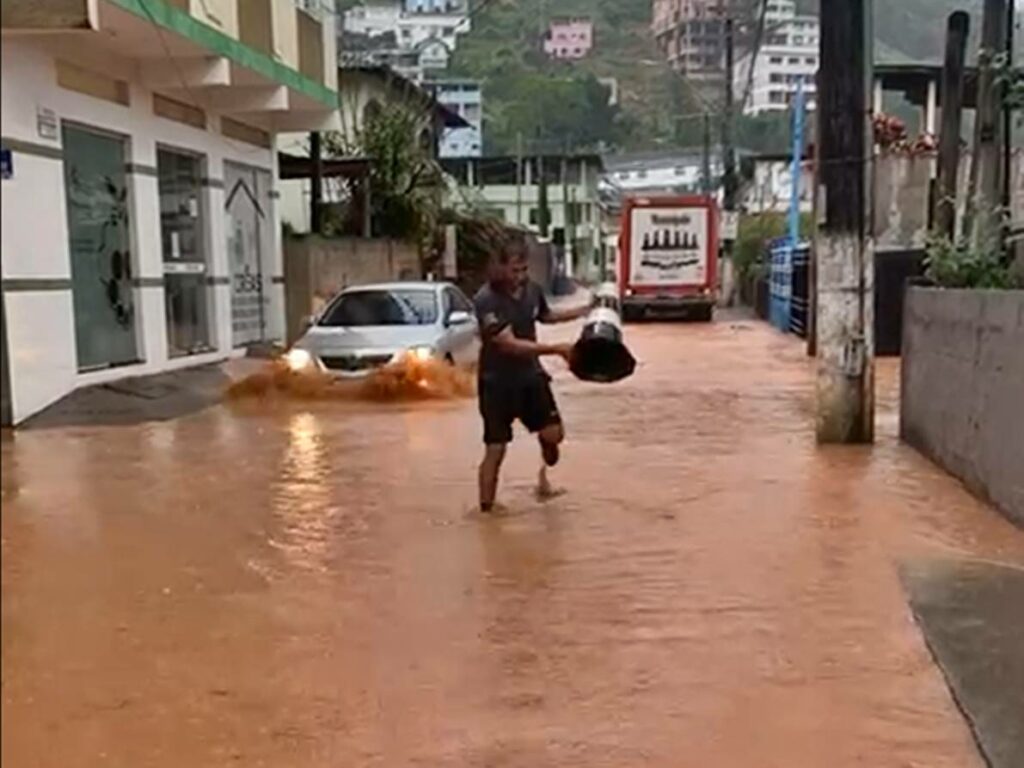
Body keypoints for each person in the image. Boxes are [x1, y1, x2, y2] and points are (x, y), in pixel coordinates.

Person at [473, 239, 594, 513]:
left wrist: (582, 312)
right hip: (496, 384)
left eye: (524, 270)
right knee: (496, 449)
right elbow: (508, 344)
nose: (519, 276)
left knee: (554, 435)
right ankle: (486, 512)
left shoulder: (532, 290)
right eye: (514, 270)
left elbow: (546, 316)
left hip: (531, 377)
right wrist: (556, 349)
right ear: (499, 267)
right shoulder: (486, 300)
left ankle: (543, 442)